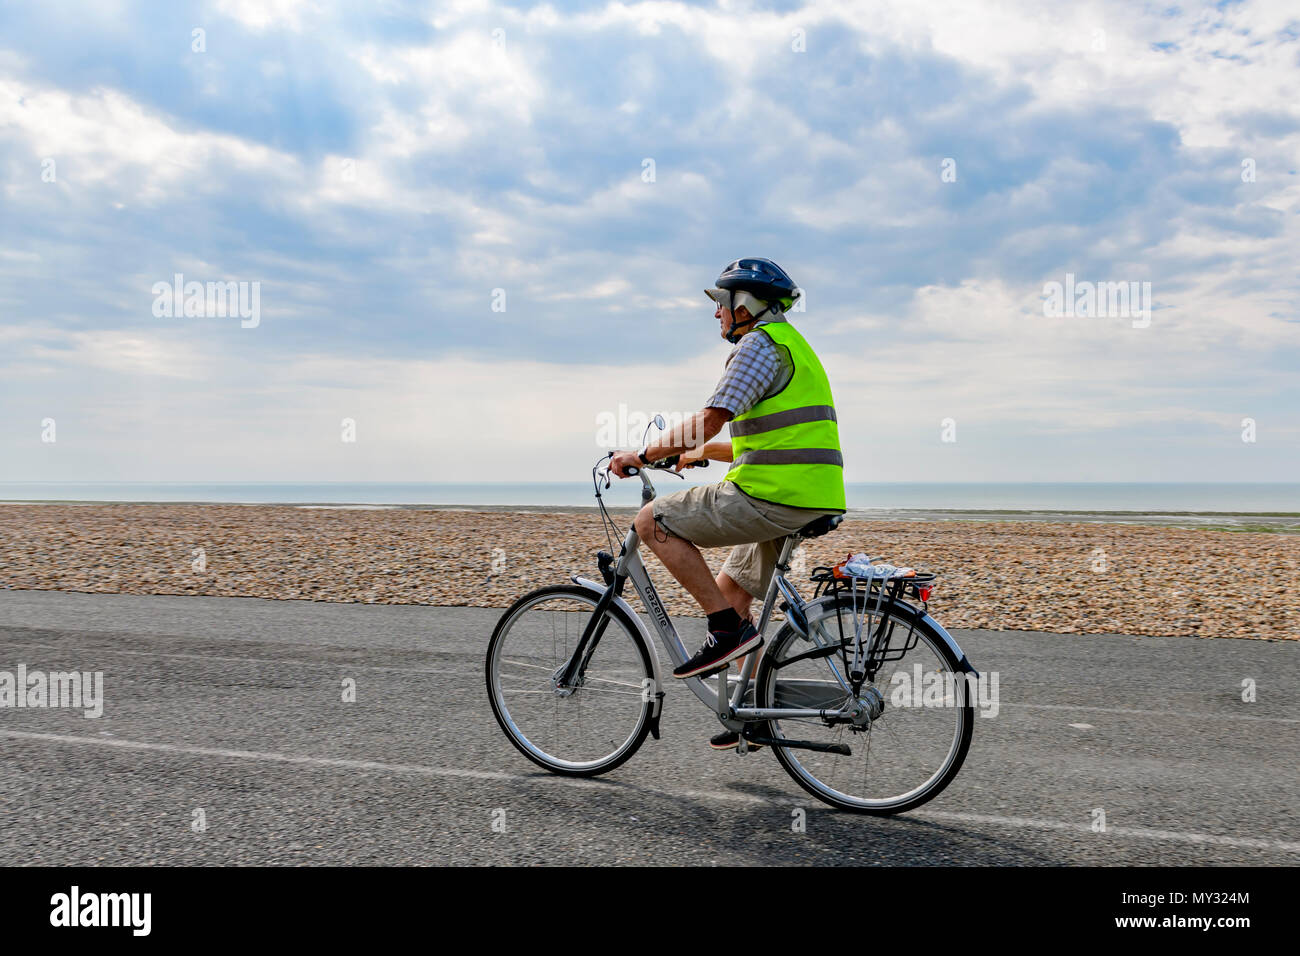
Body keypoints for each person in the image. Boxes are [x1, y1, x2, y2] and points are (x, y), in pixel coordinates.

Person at [608, 258, 846, 750]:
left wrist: (644, 453)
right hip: (807, 494)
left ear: (745, 305)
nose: (716, 314)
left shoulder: (758, 345)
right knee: (731, 588)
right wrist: (693, 454)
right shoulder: (792, 346)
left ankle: (726, 633)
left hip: (772, 497)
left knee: (653, 521)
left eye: (720, 303)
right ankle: (757, 713)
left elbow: (712, 418)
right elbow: (746, 441)